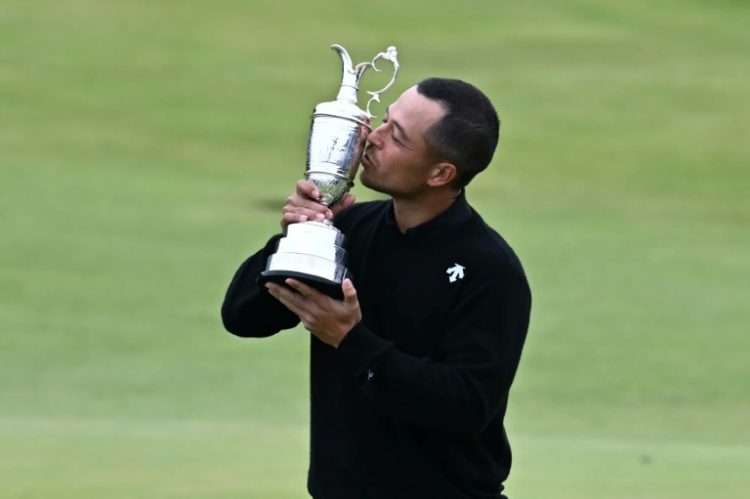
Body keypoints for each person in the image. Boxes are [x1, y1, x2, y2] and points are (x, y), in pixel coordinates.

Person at [221, 77, 531, 499]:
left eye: (397, 137)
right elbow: (243, 317)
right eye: (384, 121)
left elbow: (466, 405)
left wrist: (350, 341)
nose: (372, 138)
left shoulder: (489, 270)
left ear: (441, 173)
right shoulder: (351, 229)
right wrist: (294, 240)